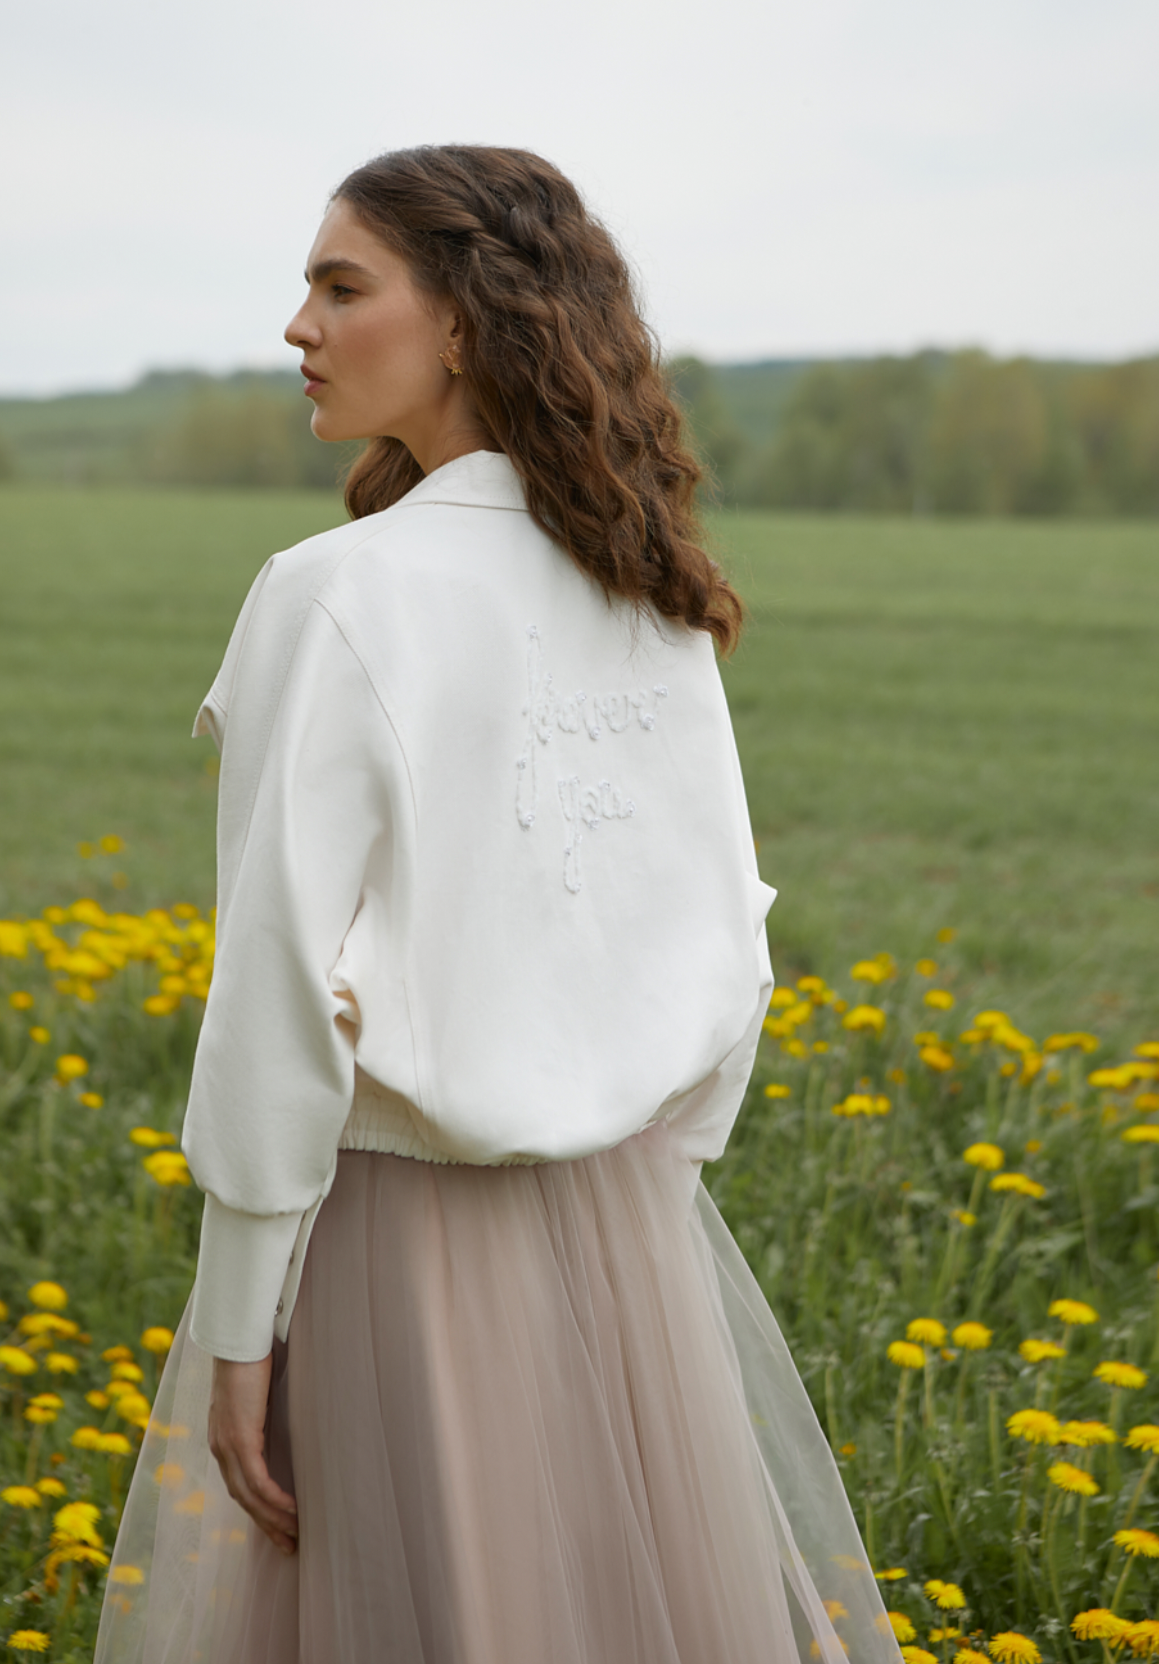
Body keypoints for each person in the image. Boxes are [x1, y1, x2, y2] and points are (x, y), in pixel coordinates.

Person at [95, 145, 902, 1664]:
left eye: (342, 286)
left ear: (462, 319)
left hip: (394, 1243)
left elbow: (275, 985)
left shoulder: (334, 592)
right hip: (627, 1230)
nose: (299, 327)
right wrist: (649, 1208)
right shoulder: (642, 584)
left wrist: (240, 1318)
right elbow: (731, 940)